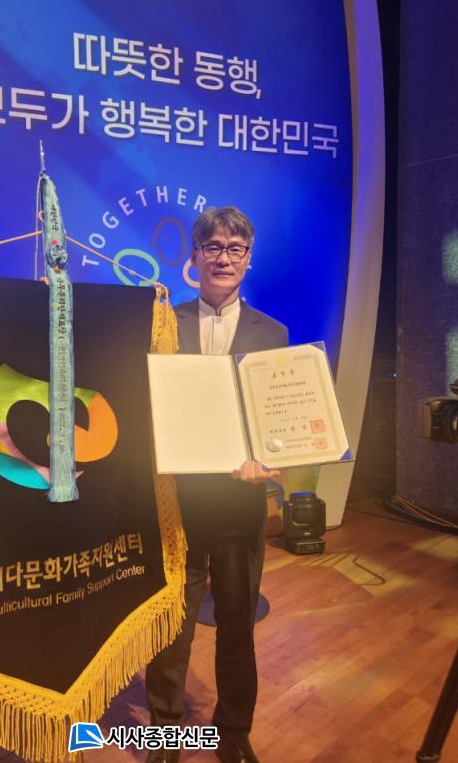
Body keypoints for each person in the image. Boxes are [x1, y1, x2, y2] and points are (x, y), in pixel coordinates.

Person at [145, 206, 288, 763]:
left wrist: (272, 457)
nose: (223, 258)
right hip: (176, 500)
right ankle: (165, 733)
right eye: (213, 247)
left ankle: (233, 732)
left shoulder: (273, 333)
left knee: (235, 622)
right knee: (171, 623)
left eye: (235, 248)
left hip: (239, 500)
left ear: (248, 259)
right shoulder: (164, 323)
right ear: (195, 257)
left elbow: (276, 417)